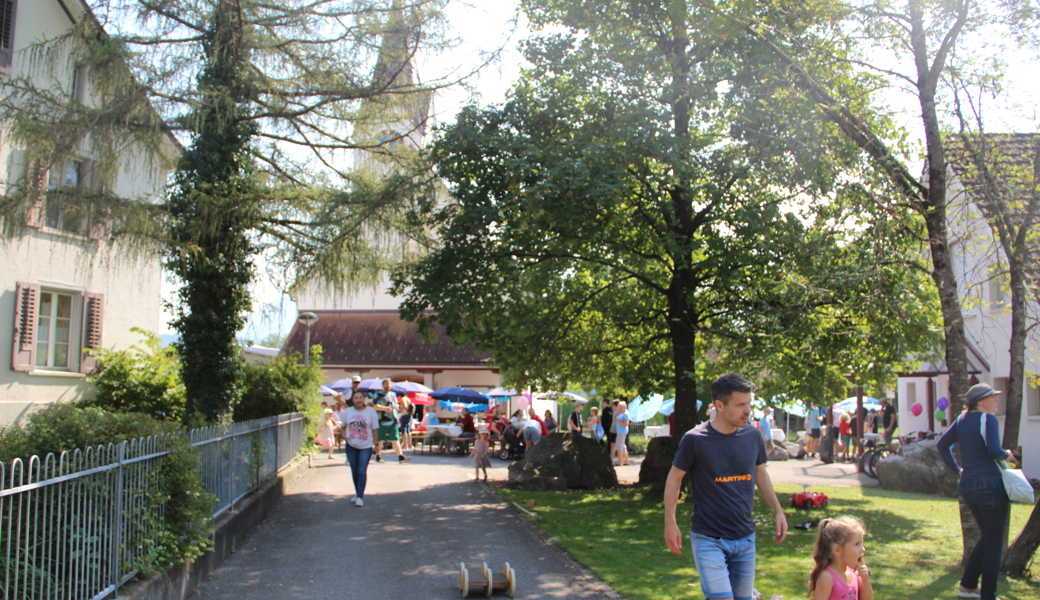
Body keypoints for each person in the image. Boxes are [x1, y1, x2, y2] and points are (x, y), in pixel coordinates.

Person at [663, 373, 788, 600]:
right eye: (740, 405)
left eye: (748, 403)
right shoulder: (695, 439)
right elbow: (674, 478)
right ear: (719, 405)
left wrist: (778, 511)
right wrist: (670, 522)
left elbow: (761, 473)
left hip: (745, 538)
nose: (747, 410)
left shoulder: (752, 435)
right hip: (709, 539)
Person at [938, 383, 1018, 600]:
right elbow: (994, 450)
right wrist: (1008, 454)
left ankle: (967, 586)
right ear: (981, 401)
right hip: (990, 485)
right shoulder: (988, 419)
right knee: (994, 543)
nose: (997, 401)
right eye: (993, 397)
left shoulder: (961, 420)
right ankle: (988, 595)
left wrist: (958, 470)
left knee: (988, 537)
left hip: (968, 486)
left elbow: (942, 445)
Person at [809, 516, 873, 600]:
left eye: (861, 543)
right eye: (857, 544)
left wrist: (865, 580)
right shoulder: (827, 577)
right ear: (837, 550)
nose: (863, 549)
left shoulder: (854, 573)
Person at [339, 391, 379, 507]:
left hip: (366, 445)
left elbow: (375, 429)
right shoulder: (348, 412)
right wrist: (344, 436)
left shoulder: (371, 412)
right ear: (353, 400)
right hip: (351, 445)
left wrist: (376, 445)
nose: (359, 400)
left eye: (361, 397)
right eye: (356, 398)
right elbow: (343, 427)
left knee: (362, 470)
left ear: (364, 399)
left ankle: (360, 496)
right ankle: (357, 493)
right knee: (354, 470)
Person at [372, 379, 410, 463]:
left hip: (393, 419)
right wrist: (384, 408)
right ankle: (378, 455)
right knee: (380, 439)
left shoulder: (393, 394)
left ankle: (400, 456)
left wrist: (403, 406)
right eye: (386, 384)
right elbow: (375, 406)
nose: (388, 386)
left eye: (389, 384)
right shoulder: (379, 394)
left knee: (395, 438)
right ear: (383, 385)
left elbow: (396, 408)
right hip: (382, 420)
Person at [614, 401, 631, 466]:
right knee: (623, 447)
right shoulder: (622, 413)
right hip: (620, 431)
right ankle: (626, 461)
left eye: (621, 407)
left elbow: (625, 424)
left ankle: (620, 461)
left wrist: (618, 421)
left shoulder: (625, 414)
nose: (620, 408)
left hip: (622, 431)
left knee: (619, 446)